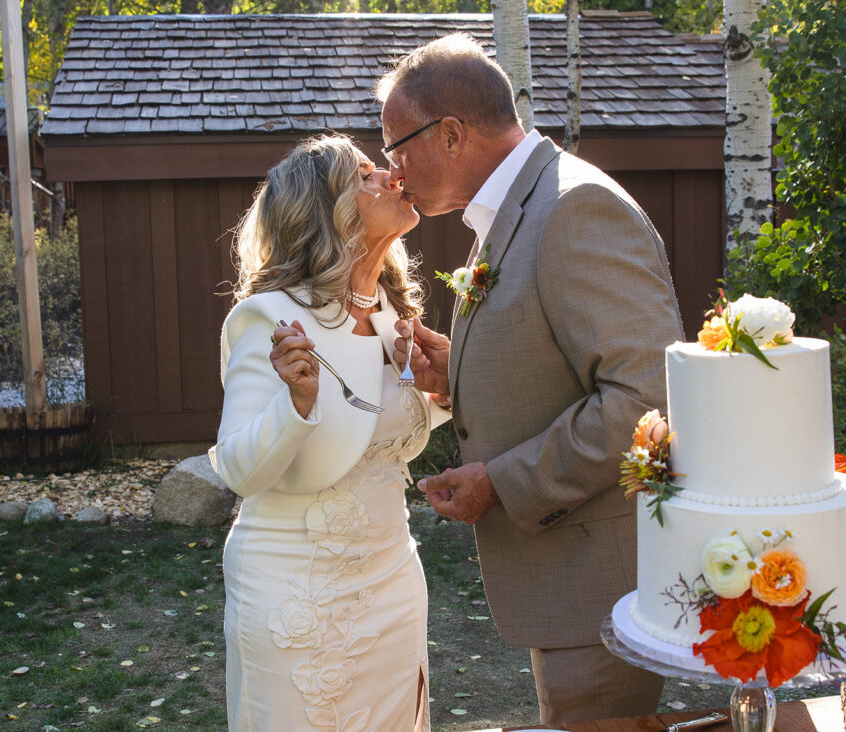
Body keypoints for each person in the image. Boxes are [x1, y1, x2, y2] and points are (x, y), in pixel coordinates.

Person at [379, 34, 685, 727]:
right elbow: (560, 362)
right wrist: (458, 372)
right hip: (568, 581)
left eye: (398, 144)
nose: (392, 169)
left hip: (601, 590)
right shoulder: (521, 204)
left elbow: (646, 397)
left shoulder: (575, 207)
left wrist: (503, 482)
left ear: (452, 134)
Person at [209, 134, 449, 731]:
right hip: (295, 592)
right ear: (327, 213)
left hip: (393, 580)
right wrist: (296, 403)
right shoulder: (267, 317)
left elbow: (390, 431)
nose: (393, 176)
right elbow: (239, 470)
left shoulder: (393, 314)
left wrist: (442, 387)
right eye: (367, 175)